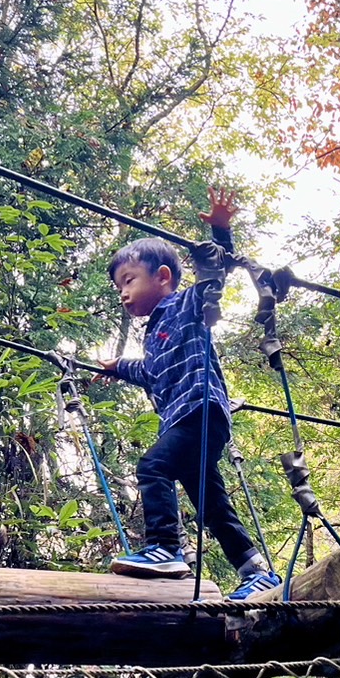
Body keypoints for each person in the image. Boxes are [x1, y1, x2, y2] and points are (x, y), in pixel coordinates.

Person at [97, 188, 279, 600]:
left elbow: (215, 275)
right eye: (118, 287)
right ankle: (256, 569)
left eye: (129, 281)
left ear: (162, 277)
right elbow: (150, 373)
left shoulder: (187, 306)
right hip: (187, 417)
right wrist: (116, 366)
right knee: (209, 500)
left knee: (152, 467)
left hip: (199, 412)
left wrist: (219, 232)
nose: (123, 293)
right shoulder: (155, 335)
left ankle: (164, 547)